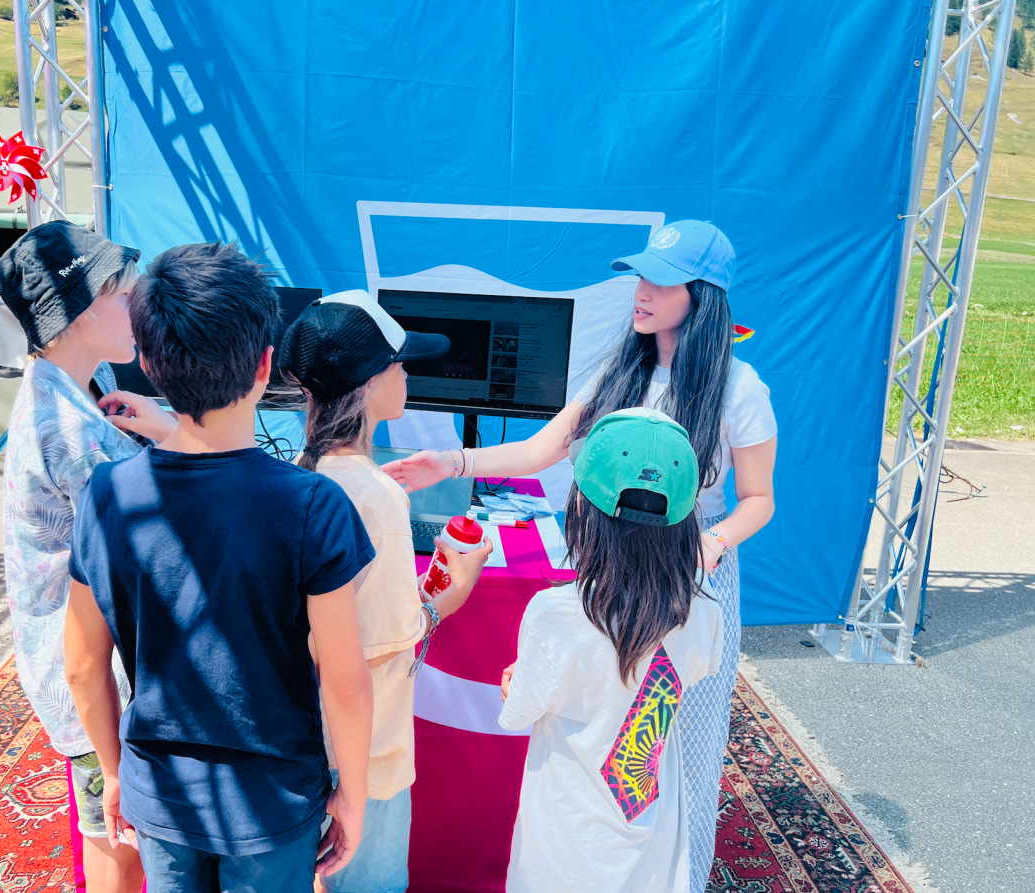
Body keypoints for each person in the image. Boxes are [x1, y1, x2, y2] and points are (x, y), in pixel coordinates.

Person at [383, 220, 776, 892]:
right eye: (641, 275)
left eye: (661, 279)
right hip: (611, 574)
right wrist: (451, 460)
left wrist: (714, 541)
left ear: (703, 294)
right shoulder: (620, 369)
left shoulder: (741, 389)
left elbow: (758, 498)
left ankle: (674, 870)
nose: (642, 291)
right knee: (596, 730)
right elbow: (543, 450)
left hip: (689, 585)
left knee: (670, 744)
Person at [61, 243, 376, 893]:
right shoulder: (313, 504)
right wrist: (354, 794)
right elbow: (346, 680)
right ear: (266, 365)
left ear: (147, 361)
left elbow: (82, 663)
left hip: (161, 797)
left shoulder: (106, 495)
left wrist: (116, 771)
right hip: (275, 805)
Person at [278, 290, 494, 893]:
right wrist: (447, 592)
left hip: (304, 742)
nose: (406, 372)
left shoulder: (301, 472)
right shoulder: (377, 497)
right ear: (370, 382)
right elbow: (386, 645)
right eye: (398, 363)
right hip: (365, 756)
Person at [0, 220, 177, 893]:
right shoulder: (72, 432)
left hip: (82, 663)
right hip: (92, 676)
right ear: (72, 311)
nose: (135, 303)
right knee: (119, 852)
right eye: (118, 290)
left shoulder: (67, 383)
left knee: (116, 843)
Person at [498, 408, 723, 892]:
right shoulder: (703, 607)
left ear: (580, 508)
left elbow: (518, 713)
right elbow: (697, 667)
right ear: (686, 520)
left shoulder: (556, 614)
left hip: (564, 847)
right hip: (653, 842)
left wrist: (515, 681)